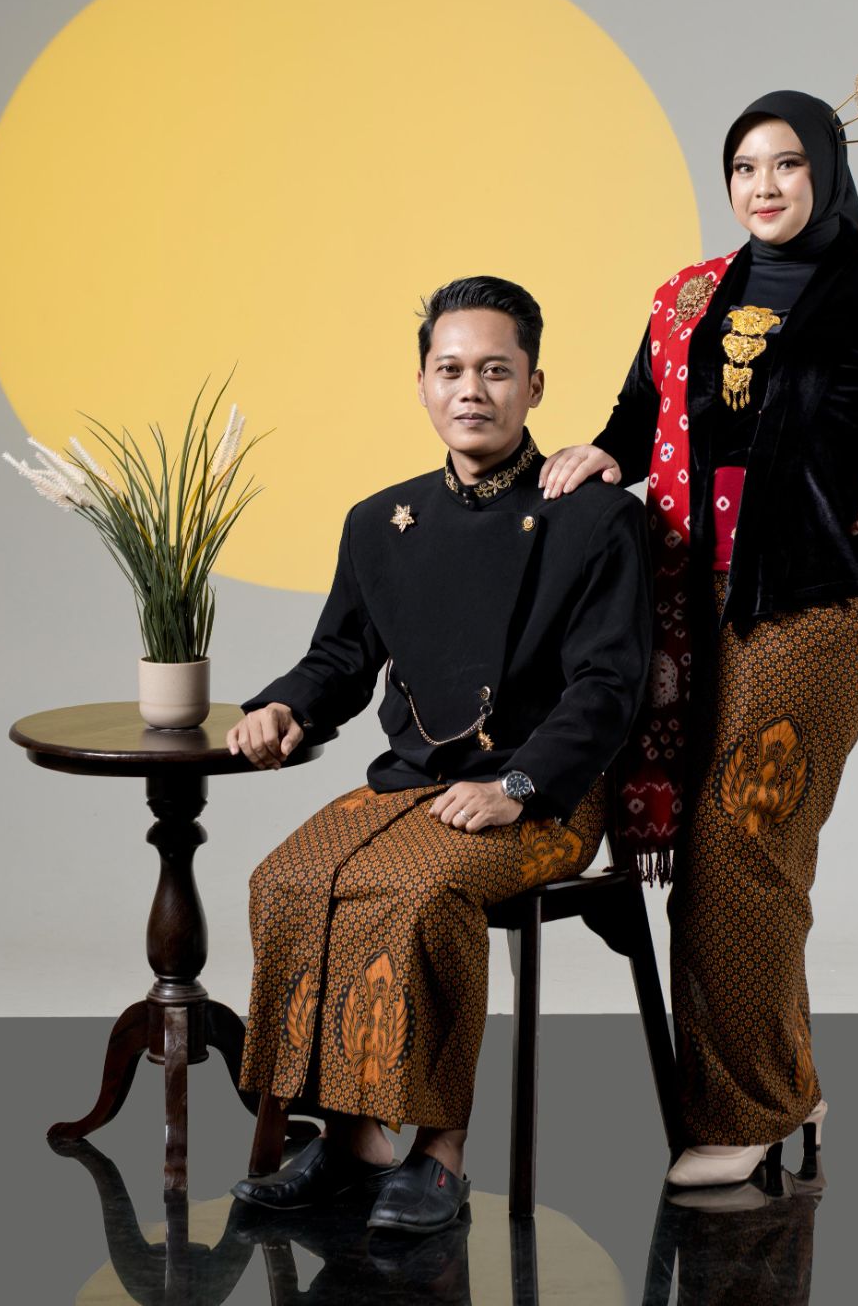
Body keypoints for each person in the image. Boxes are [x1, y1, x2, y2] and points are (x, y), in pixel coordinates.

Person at [539, 86, 858, 1188]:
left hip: (815, 608)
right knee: (729, 856)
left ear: (826, 175)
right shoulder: (688, 298)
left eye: (787, 164)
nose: (763, 186)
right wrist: (602, 455)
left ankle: (747, 1113)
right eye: (744, 167)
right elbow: (636, 419)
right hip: (685, 604)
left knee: (737, 846)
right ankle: (783, 1088)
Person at [227, 275, 651, 1232]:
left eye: (495, 371)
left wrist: (519, 784)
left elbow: (607, 687)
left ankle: (439, 1152)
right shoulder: (380, 521)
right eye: (450, 370)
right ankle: (349, 1141)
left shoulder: (596, 517)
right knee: (285, 880)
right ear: (420, 384)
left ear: (533, 386)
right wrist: (282, 706)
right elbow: (340, 658)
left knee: (418, 893)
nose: (471, 390)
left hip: (545, 796)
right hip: (410, 785)